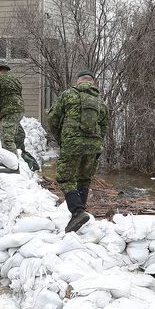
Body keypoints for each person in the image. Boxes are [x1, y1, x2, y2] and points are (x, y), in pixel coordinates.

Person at [47, 70, 110, 233]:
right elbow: (104, 126)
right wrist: (95, 140)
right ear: (93, 83)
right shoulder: (100, 101)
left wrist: (61, 139)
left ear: (78, 82)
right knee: (84, 179)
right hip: (93, 146)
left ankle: (77, 212)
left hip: (72, 143)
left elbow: (52, 119)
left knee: (65, 177)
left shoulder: (68, 95)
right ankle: (79, 216)